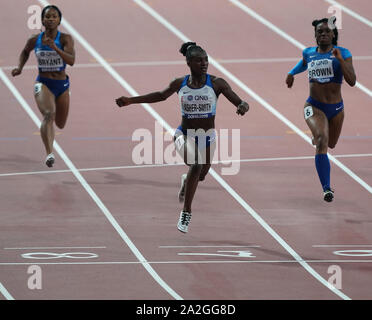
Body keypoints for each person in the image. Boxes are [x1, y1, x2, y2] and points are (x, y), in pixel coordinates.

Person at [116, 42, 249, 233]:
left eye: (206, 60)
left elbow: (239, 100)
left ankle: (187, 180)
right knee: (197, 164)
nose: (204, 64)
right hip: (184, 135)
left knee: (200, 175)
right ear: (189, 63)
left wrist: (243, 105)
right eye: (198, 60)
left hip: (207, 137)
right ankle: (186, 211)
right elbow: (160, 96)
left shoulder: (217, 83)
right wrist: (131, 100)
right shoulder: (180, 84)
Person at [286, 17, 356, 202]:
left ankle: (319, 135)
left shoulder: (343, 53)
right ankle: (327, 188)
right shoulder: (309, 52)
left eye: (327, 31)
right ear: (315, 35)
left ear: (333, 35)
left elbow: (352, 81)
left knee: (330, 144)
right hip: (314, 106)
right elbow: (303, 62)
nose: (323, 34)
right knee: (322, 141)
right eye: (320, 32)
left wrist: (340, 60)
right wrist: (291, 73)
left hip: (337, 109)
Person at [12, 5, 75, 167]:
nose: (51, 19)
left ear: (59, 20)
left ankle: (50, 140)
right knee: (49, 114)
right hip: (43, 83)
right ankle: (49, 154)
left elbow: (71, 61)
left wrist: (55, 47)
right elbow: (25, 52)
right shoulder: (35, 39)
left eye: (54, 16)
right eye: (48, 16)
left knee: (60, 123)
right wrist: (20, 67)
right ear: (42, 20)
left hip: (62, 85)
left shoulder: (65, 39)